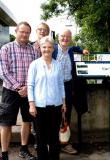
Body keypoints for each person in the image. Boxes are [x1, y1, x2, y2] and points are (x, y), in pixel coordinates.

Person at [0, 21, 39, 160]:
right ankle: (4, 154)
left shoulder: (34, 50)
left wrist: (28, 88)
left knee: (27, 121)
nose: (24, 34)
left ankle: (24, 149)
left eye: (27, 32)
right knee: (6, 123)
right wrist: (18, 87)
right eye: (22, 31)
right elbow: (3, 72)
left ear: (30, 34)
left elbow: (36, 72)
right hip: (10, 91)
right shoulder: (6, 48)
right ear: (16, 31)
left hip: (28, 92)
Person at [27, 36, 66, 160]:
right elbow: (30, 85)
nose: (47, 49)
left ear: (53, 49)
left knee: (54, 137)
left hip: (56, 106)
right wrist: (31, 104)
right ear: (40, 48)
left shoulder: (57, 65)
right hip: (39, 107)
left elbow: (61, 84)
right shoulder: (34, 65)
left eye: (49, 47)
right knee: (41, 138)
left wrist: (63, 102)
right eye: (44, 47)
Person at [52, 28, 89, 154]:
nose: (65, 39)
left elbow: (76, 48)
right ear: (58, 37)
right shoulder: (52, 50)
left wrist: (83, 50)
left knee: (66, 114)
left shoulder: (70, 50)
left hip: (67, 86)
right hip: (53, 87)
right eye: (62, 36)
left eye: (67, 37)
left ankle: (65, 143)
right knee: (52, 115)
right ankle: (53, 144)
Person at [31, 22, 50, 149]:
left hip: (48, 88)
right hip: (34, 86)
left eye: (44, 30)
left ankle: (47, 142)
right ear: (36, 31)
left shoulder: (51, 46)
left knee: (48, 119)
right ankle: (38, 142)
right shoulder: (30, 46)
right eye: (39, 29)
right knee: (35, 119)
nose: (42, 31)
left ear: (48, 32)